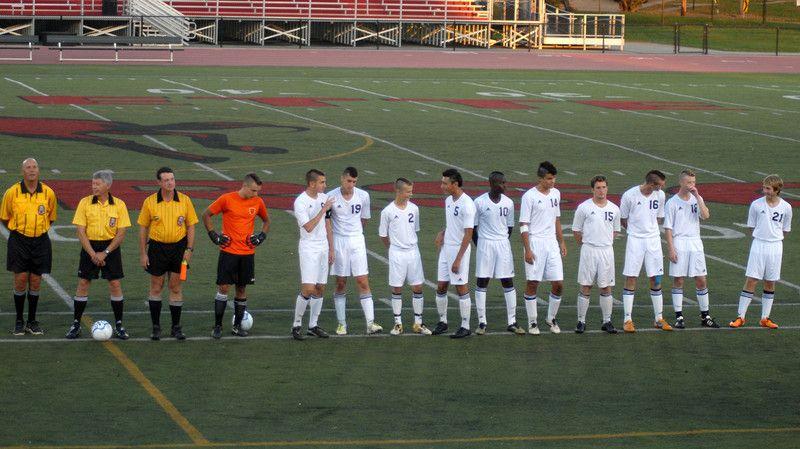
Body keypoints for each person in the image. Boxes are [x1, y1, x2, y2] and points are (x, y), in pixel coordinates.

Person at [203, 173, 270, 339]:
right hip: (229, 253)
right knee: (224, 288)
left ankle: (237, 326)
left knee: (241, 289)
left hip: (247, 254)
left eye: (258, 191)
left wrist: (261, 236)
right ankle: (217, 326)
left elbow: (267, 221)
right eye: (254, 190)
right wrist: (214, 235)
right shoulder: (227, 199)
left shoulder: (258, 202)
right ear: (245, 186)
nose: (256, 194)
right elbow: (206, 214)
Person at [66, 170, 131, 339]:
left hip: (111, 247)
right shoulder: (84, 203)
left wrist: (106, 252)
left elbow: (121, 232)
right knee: (83, 283)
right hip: (90, 246)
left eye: (97, 184)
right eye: (93, 183)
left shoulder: (119, 205)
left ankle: (119, 325)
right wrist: (93, 254)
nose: (93, 187)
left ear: (108, 185)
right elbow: (80, 231)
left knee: (115, 284)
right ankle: (76, 324)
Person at [138, 167, 199, 341]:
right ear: (159, 182)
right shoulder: (150, 202)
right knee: (156, 286)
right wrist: (143, 253)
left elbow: (191, 226)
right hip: (157, 248)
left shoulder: (185, 200)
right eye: (166, 180)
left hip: (180, 249)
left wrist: (189, 250)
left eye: (172, 179)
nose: (170, 182)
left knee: (176, 286)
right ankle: (156, 327)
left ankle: (176, 327)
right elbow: (143, 228)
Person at [1, 158, 57, 336]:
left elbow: (51, 216)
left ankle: (32, 321)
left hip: (40, 241)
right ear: (22, 171)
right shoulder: (12, 192)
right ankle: (19, 320)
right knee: (20, 279)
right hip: (19, 240)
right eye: (28, 168)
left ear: (38, 170)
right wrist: (19, 231)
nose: (31, 170)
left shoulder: (48, 193)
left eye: (34, 167)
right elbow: (4, 216)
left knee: (35, 281)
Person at [730, 174, 792, 329]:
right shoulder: (756, 205)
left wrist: (773, 238)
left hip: (776, 247)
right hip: (758, 245)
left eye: (768, 188)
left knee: (770, 281)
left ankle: (765, 318)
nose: (764, 191)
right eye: (764, 187)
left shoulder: (786, 207)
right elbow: (751, 227)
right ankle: (740, 316)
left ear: (777, 190)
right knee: (752, 279)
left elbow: (785, 229)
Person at [329, 167, 382, 335]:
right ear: (342, 179)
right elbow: (328, 222)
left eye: (354, 182)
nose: (351, 185)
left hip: (357, 241)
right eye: (348, 181)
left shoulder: (363, 196)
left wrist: (356, 233)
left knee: (362, 281)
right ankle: (341, 324)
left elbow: (364, 219)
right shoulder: (331, 196)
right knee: (341, 282)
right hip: (339, 241)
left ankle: (370, 323)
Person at [664, 169, 719, 329]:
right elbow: (668, 228)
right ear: (681, 182)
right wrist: (671, 249)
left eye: (693, 182)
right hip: (680, 242)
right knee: (679, 280)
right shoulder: (672, 203)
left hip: (695, 243)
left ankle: (705, 316)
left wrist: (698, 198)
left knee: (701, 279)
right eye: (688, 182)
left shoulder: (697, 198)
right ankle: (679, 316)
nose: (691, 185)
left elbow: (706, 215)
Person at [620, 169, 672, 333]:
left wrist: (650, 230)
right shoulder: (630, 195)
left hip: (654, 241)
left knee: (656, 279)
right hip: (635, 241)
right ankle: (627, 319)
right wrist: (636, 231)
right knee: (631, 277)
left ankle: (658, 318)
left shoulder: (660, 195)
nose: (661, 188)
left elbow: (658, 217)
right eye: (660, 185)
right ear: (651, 183)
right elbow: (623, 219)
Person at [472, 171, 524, 335]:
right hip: (485, 244)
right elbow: (473, 227)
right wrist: (480, 244)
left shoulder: (508, 203)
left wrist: (500, 239)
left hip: (502, 244)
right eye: (502, 183)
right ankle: (482, 322)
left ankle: (512, 321)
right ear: (493, 184)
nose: (505, 185)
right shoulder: (479, 202)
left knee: (507, 280)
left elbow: (509, 227)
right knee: (482, 281)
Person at [378, 178, 431, 336]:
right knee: (396, 287)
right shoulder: (387, 212)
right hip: (397, 253)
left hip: (413, 252)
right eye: (408, 191)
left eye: (411, 190)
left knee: (417, 286)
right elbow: (383, 235)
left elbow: (415, 230)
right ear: (398, 191)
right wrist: (393, 248)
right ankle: (398, 324)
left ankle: (418, 323)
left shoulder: (414, 209)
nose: (411, 194)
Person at [519, 161, 567, 335]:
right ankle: (532, 322)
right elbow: (523, 225)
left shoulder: (556, 194)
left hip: (551, 243)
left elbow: (556, 219)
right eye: (549, 178)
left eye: (554, 178)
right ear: (540, 178)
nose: (552, 181)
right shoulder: (529, 197)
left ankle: (551, 317)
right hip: (535, 243)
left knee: (559, 283)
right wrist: (528, 250)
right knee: (533, 282)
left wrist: (561, 241)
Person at [572, 175, 620, 334]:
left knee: (606, 287)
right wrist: (586, 244)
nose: (601, 190)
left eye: (604, 187)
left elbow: (616, 230)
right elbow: (576, 230)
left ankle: (607, 321)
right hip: (589, 250)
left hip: (606, 251)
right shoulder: (584, 207)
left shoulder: (614, 209)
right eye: (598, 187)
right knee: (586, 285)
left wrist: (604, 241)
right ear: (592, 189)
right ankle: (581, 321)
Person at [291, 169, 334, 340]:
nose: (325, 185)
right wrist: (322, 210)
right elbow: (308, 227)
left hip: (323, 247)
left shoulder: (324, 199)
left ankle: (313, 325)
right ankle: (296, 324)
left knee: (320, 288)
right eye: (322, 182)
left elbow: (328, 225)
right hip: (309, 247)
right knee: (308, 288)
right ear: (312, 184)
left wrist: (332, 249)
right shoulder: (300, 202)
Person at [433, 168, 476, 338]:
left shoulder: (467, 204)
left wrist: (458, 259)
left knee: (460, 286)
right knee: (441, 285)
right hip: (446, 248)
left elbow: (468, 233)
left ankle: (465, 326)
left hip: (460, 250)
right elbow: (452, 223)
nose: (441, 186)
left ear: (455, 184)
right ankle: (443, 321)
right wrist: (443, 232)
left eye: (445, 183)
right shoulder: (449, 200)